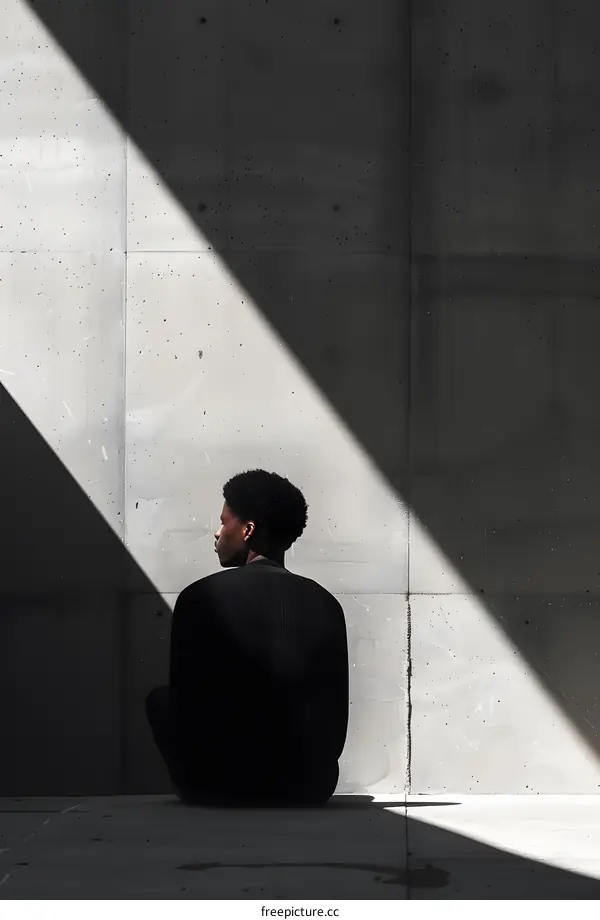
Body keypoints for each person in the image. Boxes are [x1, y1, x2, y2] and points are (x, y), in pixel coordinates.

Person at [146, 469, 349, 807]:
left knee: (160, 700)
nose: (217, 532)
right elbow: (335, 719)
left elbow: (184, 706)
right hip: (307, 788)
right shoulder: (326, 603)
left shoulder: (199, 598)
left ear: (248, 530)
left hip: (217, 788)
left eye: (223, 522)